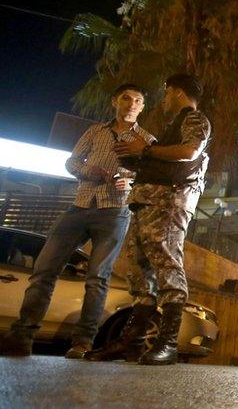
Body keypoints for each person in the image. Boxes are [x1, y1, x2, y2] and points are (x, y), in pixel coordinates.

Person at [0, 84, 153, 358]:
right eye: (126, 98)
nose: (131, 104)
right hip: (79, 206)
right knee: (44, 270)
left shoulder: (146, 140)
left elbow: (151, 179)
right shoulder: (95, 131)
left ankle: (83, 342)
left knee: (97, 278)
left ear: (142, 107)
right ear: (115, 101)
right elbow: (71, 162)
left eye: (138, 100)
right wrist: (87, 170)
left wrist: (129, 182)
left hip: (114, 212)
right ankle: (22, 335)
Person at [86, 74, 211, 365]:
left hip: (169, 202)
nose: (164, 100)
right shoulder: (173, 125)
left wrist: (144, 150)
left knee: (168, 266)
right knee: (140, 274)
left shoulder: (194, 118)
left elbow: (190, 151)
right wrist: (136, 161)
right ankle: (132, 342)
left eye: (167, 94)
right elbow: (163, 158)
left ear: (178, 92)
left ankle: (168, 342)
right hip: (146, 202)